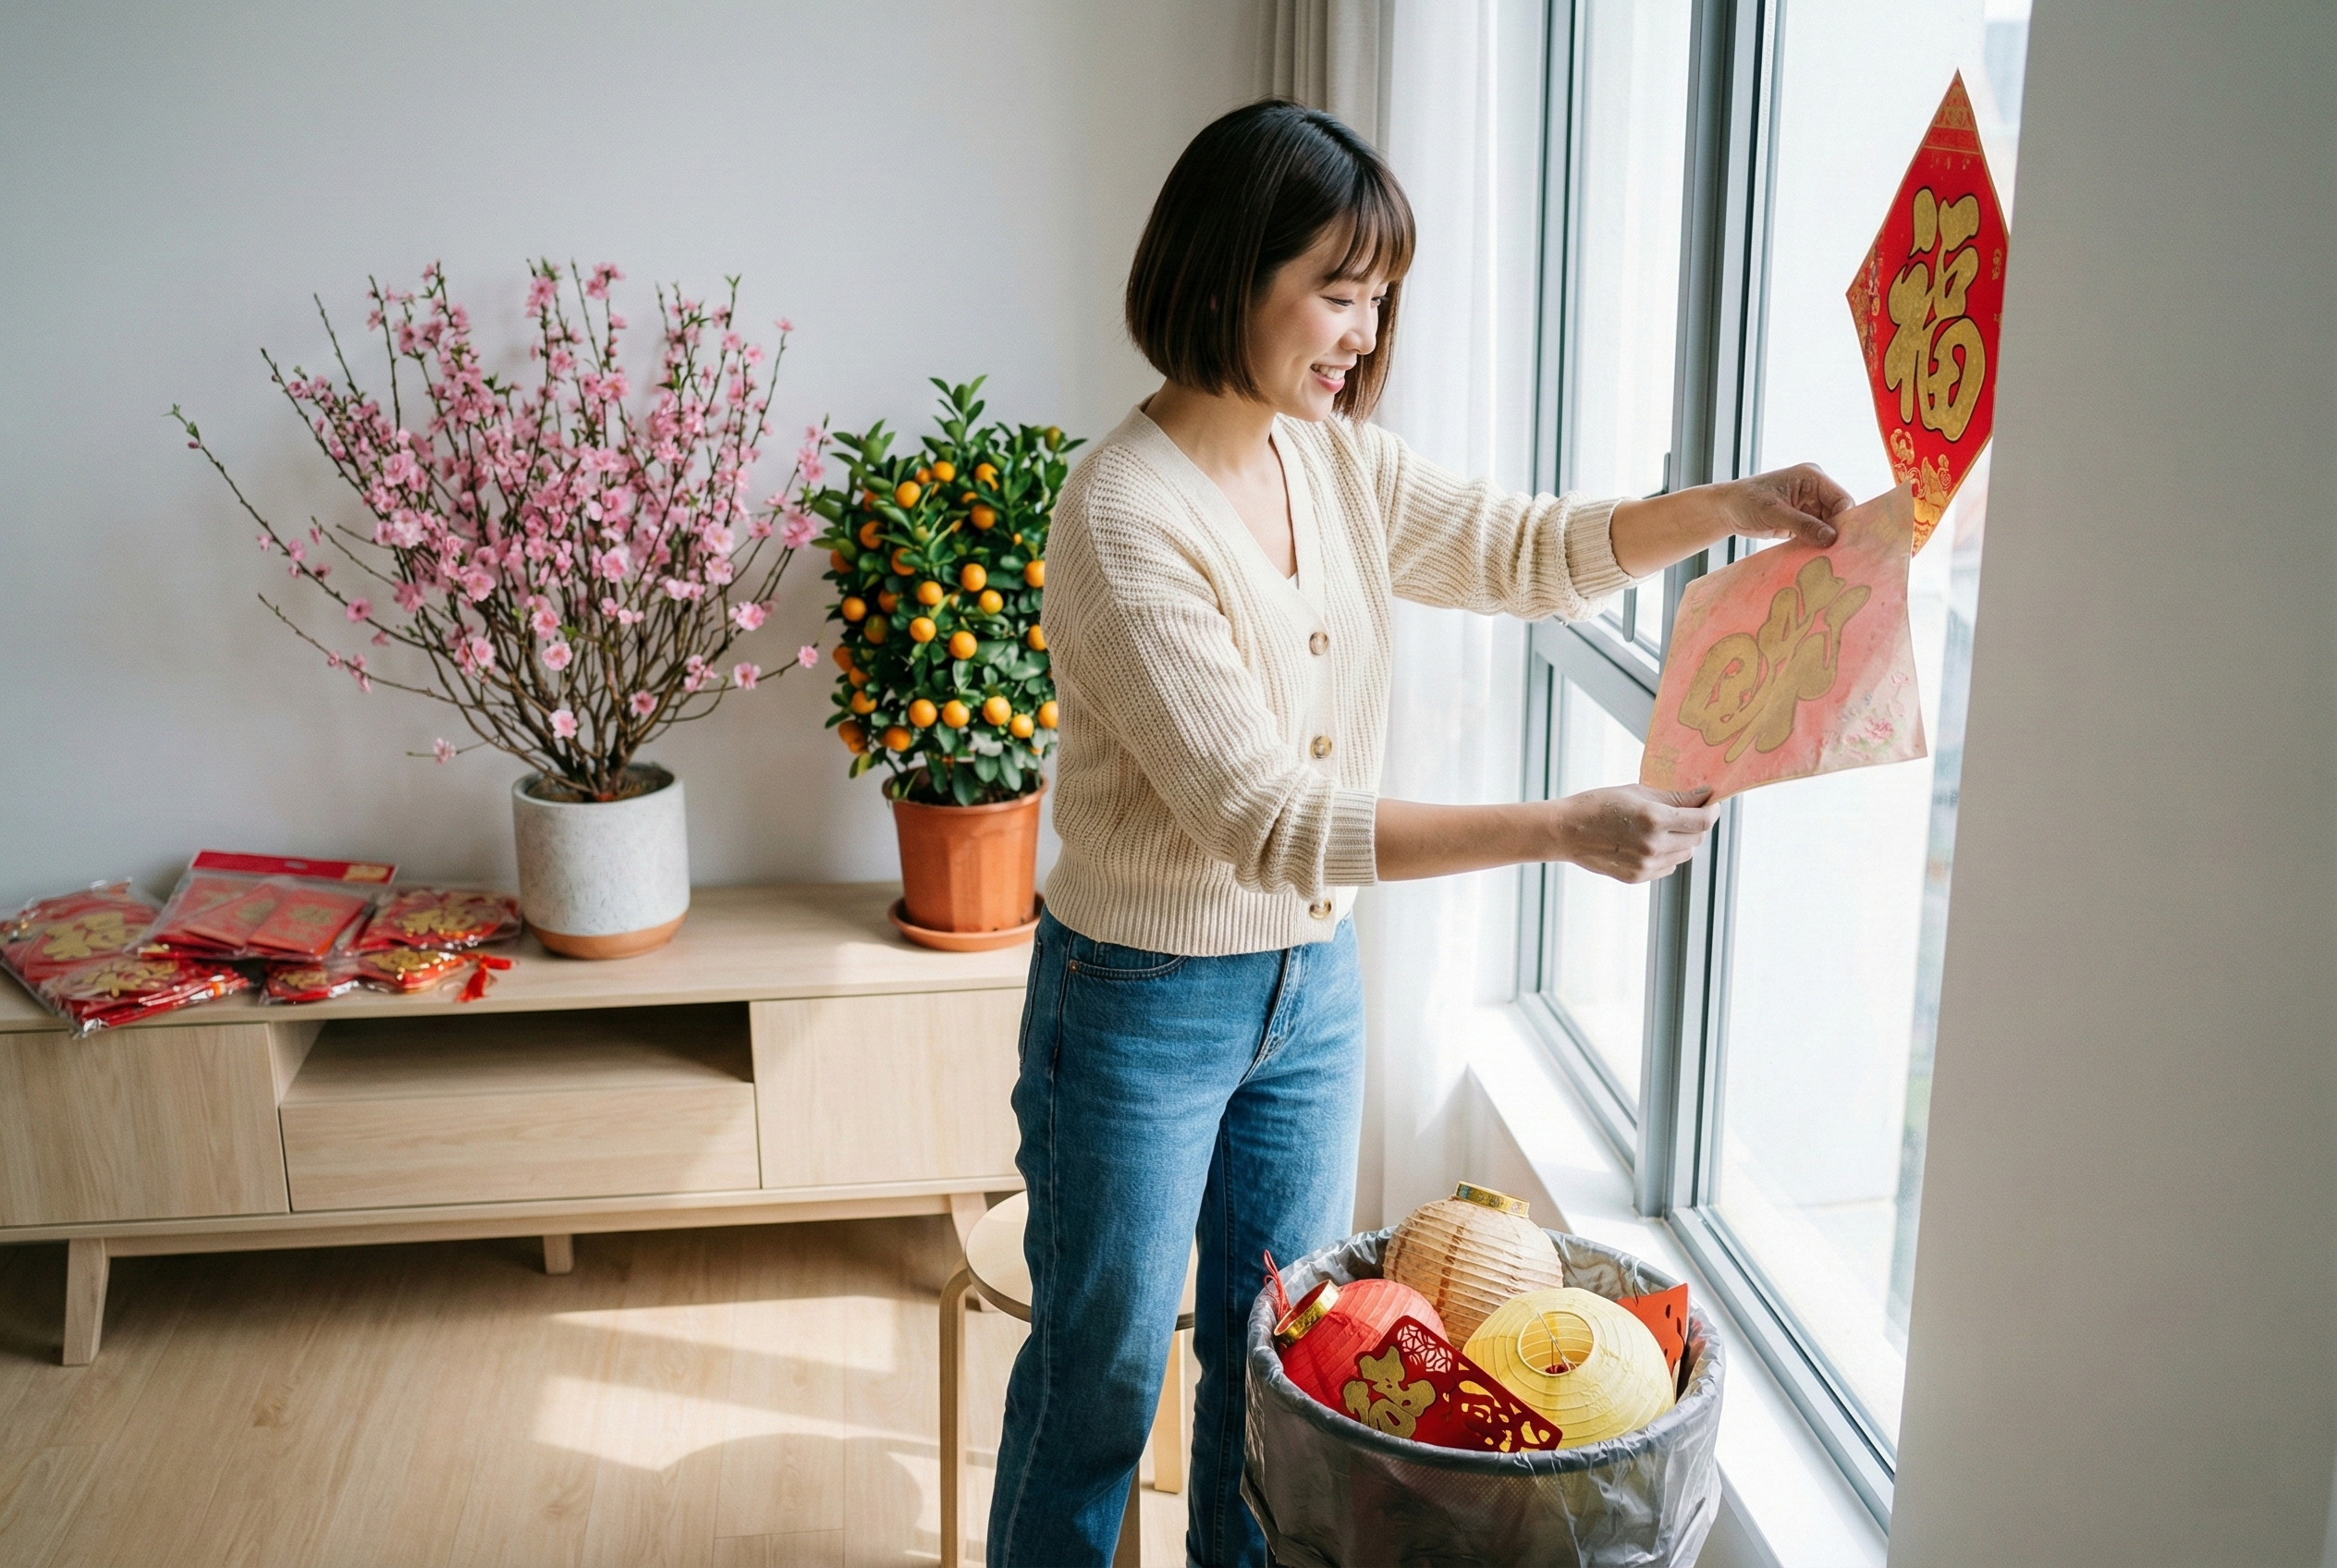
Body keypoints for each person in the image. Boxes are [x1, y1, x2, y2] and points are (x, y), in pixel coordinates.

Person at [987, 99, 1849, 1567]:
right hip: (1137, 1003)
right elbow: (1270, 818)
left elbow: (1526, 550)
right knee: (1102, 1385)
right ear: (1221, 276)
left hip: (1308, 993)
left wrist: (1733, 504)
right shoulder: (1121, 519)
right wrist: (1561, 827)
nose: (1367, 331)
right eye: (1338, 288)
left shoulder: (1329, 458)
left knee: (1278, 1378)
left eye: (1380, 294)